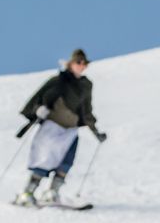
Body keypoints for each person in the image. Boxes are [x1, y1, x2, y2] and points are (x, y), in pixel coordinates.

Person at [15, 49, 106, 206]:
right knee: (44, 159)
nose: (82, 65)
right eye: (79, 62)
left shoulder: (85, 85)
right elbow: (39, 98)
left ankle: (52, 192)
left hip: (70, 130)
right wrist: (38, 109)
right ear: (71, 64)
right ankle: (27, 192)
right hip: (52, 126)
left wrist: (95, 131)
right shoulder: (58, 81)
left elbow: (86, 110)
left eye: (84, 63)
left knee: (66, 162)